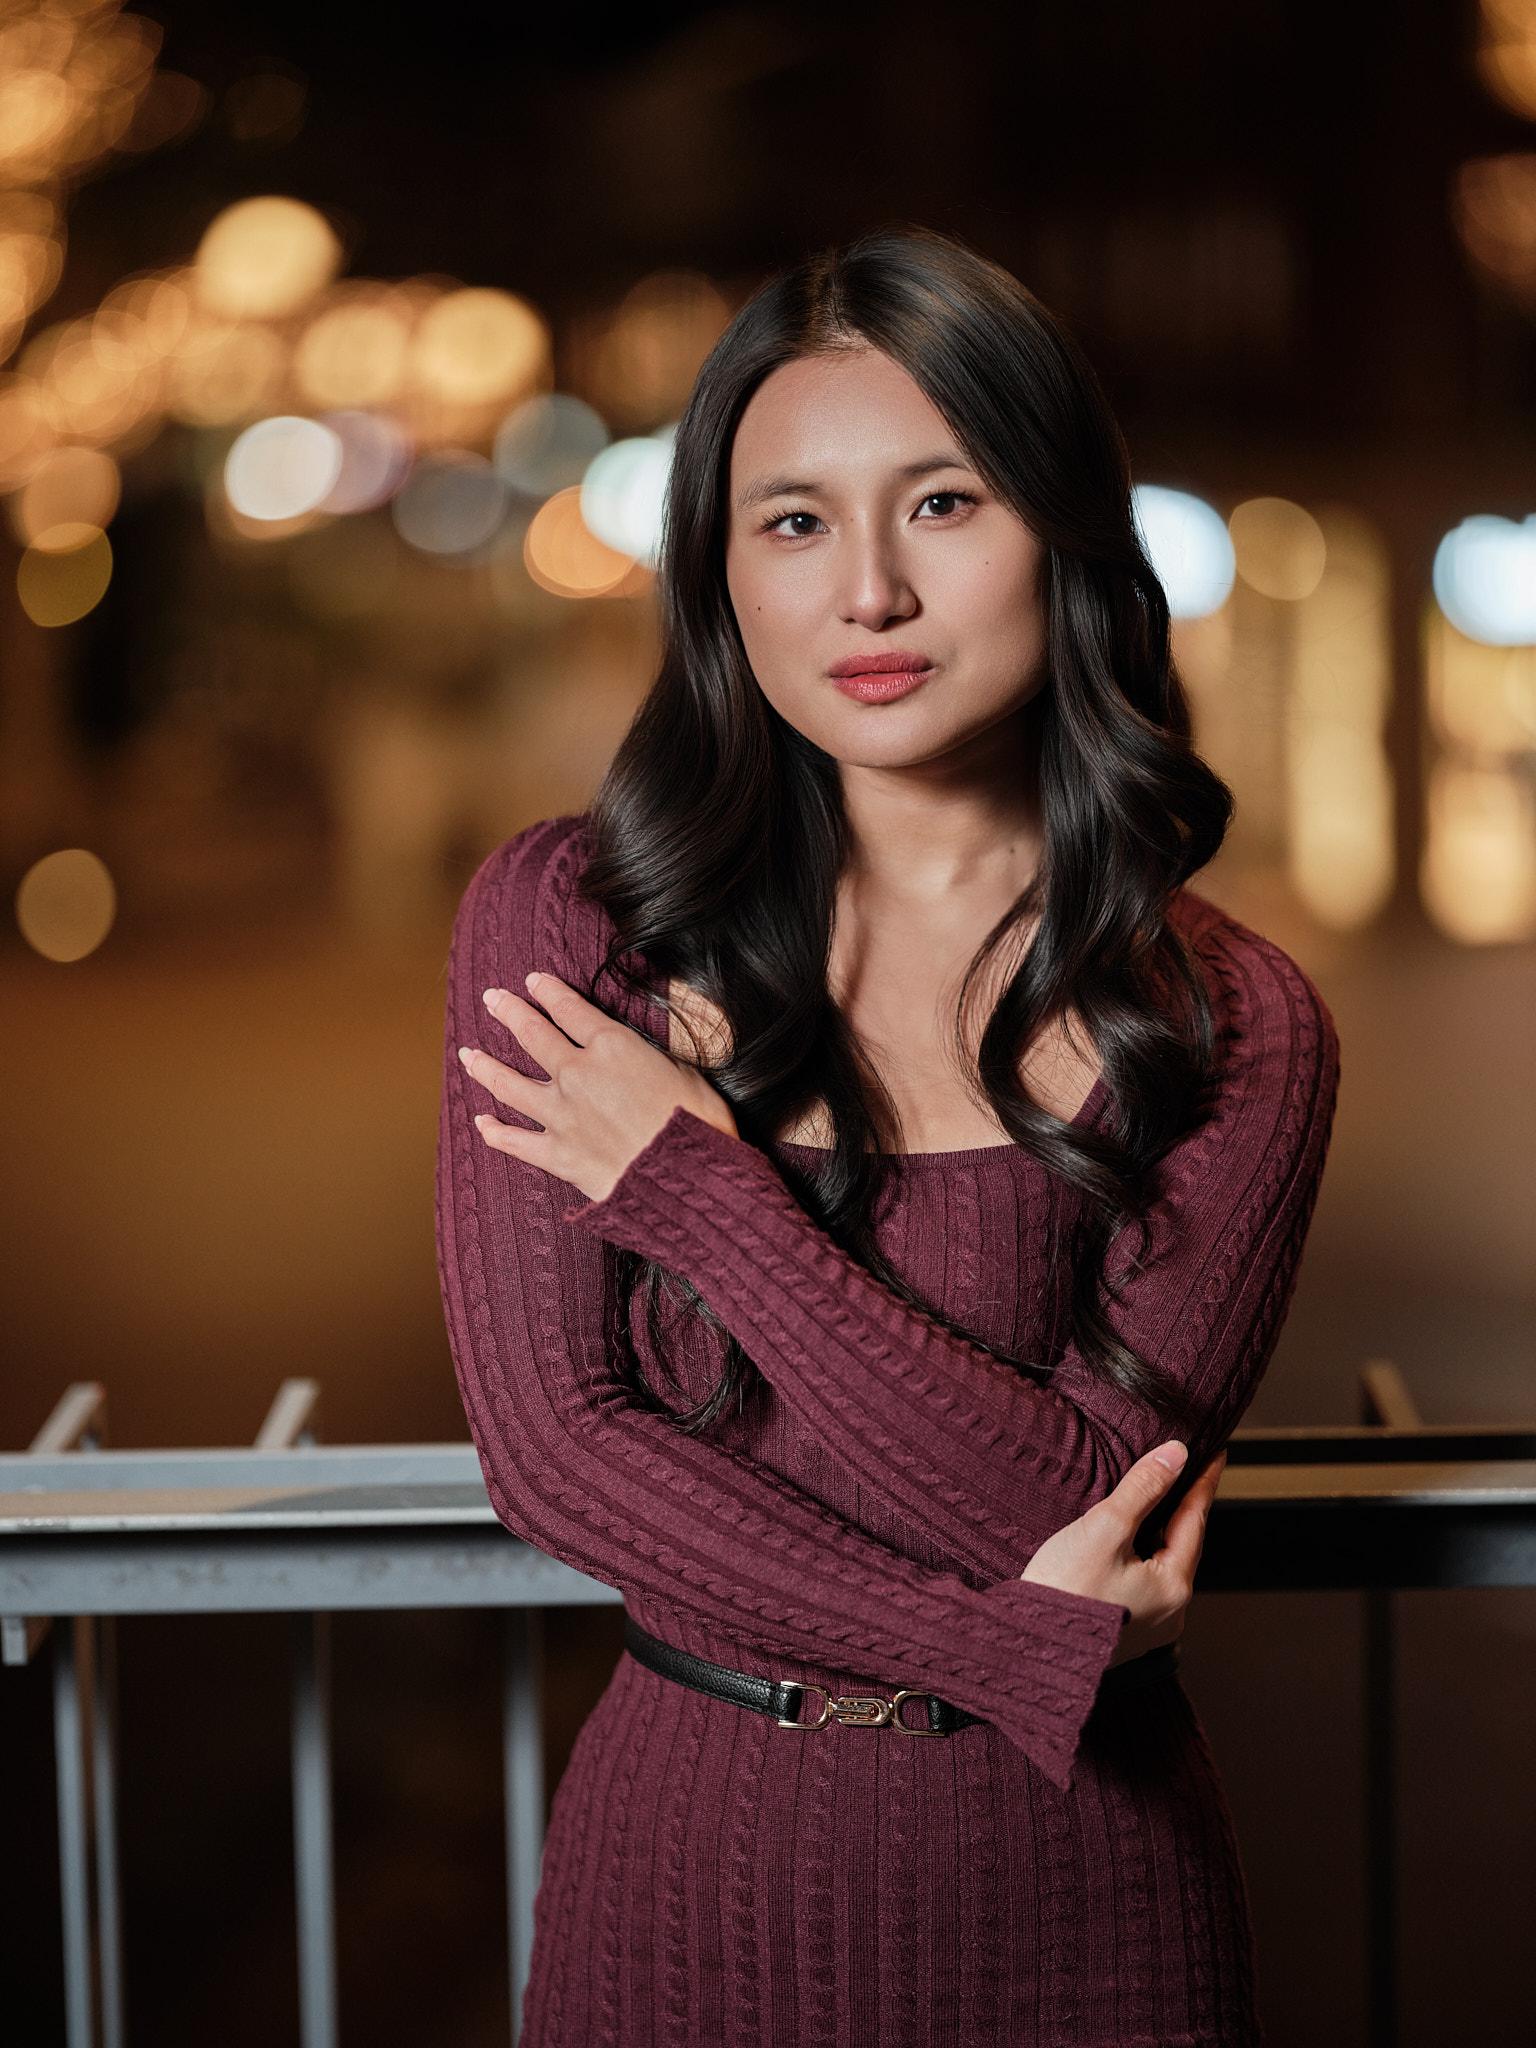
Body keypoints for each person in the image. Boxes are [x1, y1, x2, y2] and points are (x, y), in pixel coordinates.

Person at [436, 224, 1341, 2046]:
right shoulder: (577, 926)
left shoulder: (1229, 1022)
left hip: (1091, 1916)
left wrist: (699, 1192)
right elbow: (556, 1455)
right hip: (684, 1886)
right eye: (793, 521)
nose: (869, 593)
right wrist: (1007, 1647)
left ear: (1066, 537)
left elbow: (1081, 1505)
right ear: (721, 575)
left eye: (943, 504)